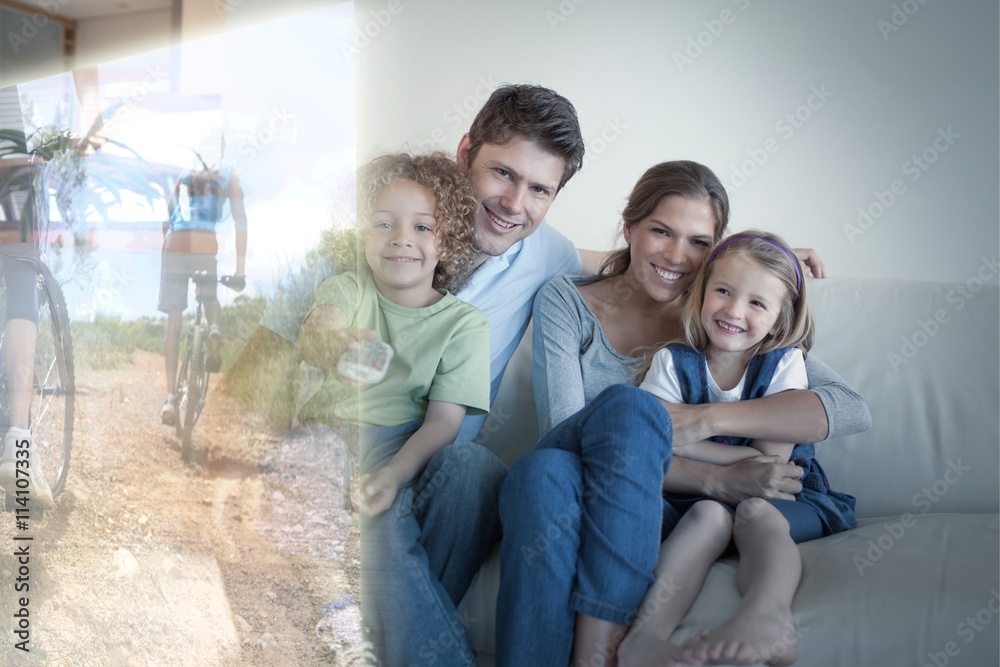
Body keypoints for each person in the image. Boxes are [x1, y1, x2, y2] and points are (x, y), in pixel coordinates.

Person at [496, 161, 872, 666]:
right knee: (548, 465)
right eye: (660, 231)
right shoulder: (571, 302)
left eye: (699, 243)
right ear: (630, 227)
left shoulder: (722, 321)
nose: (678, 255)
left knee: (539, 472)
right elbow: (565, 434)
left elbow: (848, 407)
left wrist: (705, 420)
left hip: (668, 507)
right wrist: (718, 480)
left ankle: (603, 650)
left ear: (715, 252)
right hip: (614, 484)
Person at [295, 152, 492, 664]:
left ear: (445, 240)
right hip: (332, 435)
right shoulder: (348, 288)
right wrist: (337, 344)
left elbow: (445, 422)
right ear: (362, 234)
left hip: (403, 441)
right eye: (383, 223)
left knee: (445, 484)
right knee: (368, 514)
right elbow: (320, 330)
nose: (401, 238)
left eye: (422, 226)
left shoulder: (465, 324)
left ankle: (381, 639)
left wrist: (395, 474)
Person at [159, 128, 247, 425]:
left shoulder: (185, 174)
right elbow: (240, 222)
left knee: (174, 320)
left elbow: (166, 218)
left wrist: (166, 248)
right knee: (210, 297)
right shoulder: (228, 176)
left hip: (176, 244)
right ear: (220, 151)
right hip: (204, 244)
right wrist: (239, 271)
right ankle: (213, 329)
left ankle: (171, 399)